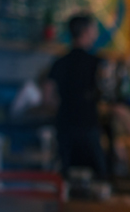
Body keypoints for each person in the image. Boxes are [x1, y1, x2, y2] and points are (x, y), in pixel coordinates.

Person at [44, 14, 109, 180]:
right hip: (89, 124)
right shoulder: (98, 63)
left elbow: (48, 95)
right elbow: (107, 92)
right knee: (100, 173)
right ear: (86, 32)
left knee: (65, 173)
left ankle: (65, 205)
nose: (96, 34)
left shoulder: (60, 62)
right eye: (94, 30)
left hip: (64, 124)